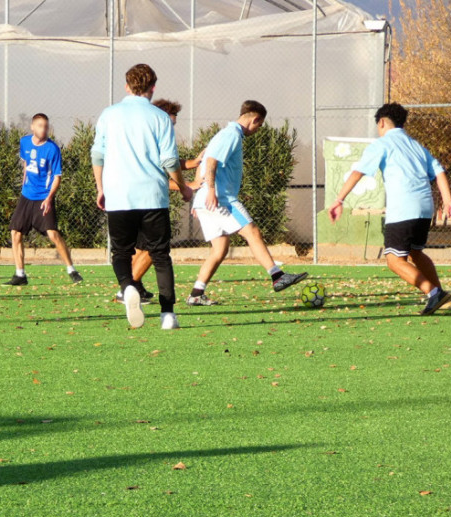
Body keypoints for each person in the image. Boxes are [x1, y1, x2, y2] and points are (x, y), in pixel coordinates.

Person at [91, 64, 194, 330]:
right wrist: (182, 187)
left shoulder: (109, 114)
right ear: (153, 88)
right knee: (160, 255)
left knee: (121, 254)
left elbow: (97, 155)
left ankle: (128, 288)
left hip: (118, 196)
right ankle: (168, 315)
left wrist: (100, 188)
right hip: (152, 197)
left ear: (127, 86)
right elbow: (170, 160)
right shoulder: (159, 117)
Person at [328, 102, 451, 315]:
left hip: (403, 209)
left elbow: (357, 172)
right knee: (416, 252)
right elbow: (439, 171)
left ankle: (434, 293)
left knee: (394, 260)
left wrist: (339, 200)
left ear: (382, 122)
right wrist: (449, 200)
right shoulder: (416, 145)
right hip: (425, 209)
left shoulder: (382, 144)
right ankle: (442, 295)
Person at [187, 100, 307, 306]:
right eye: (259, 126)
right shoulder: (232, 135)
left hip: (207, 201)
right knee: (252, 231)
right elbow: (211, 161)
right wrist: (211, 192)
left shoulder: (224, 134)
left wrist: (200, 197)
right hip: (221, 199)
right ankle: (277, 276)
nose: (258, 130)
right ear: (255, 119)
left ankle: (196, 293)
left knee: (220, 249)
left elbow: (204, 159)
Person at [112, 98, 202, 304]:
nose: (171, 127)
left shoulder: (143, 134)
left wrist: (193, 163)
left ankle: (135, 287)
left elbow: (171, 163)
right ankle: (128, 290)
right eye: (170, 122)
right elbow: (159, 175)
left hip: (130, 199)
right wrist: (185, 186)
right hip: (146, 201)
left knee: (140, 248)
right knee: (154, 250)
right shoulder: (153, 134)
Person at [4, 113, 82, 286]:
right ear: (32, 127)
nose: (43, 129)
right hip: (26, 196)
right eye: (40, 126)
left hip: (43, 197)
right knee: (15, 233)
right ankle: (20, 274)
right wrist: (24, 180)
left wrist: (49, 198)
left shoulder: (52, 149)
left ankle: (72, 269)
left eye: (46, 126)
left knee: (53, 234)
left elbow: (57, 177)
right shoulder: (24, 142)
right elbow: (25, 163)